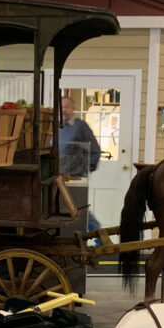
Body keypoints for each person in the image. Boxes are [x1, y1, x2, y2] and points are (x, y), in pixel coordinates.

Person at [59, 96, 101, 230]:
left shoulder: (80, 126)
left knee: (77, 207)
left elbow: (95, 150)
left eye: (67, 107)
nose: (64, 110)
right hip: (58, 177)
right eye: (62, 107)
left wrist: (85, 170)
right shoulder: (54, 126)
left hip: (75, 177)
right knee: (66, 208)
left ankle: (98, 232)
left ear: (73, 109)